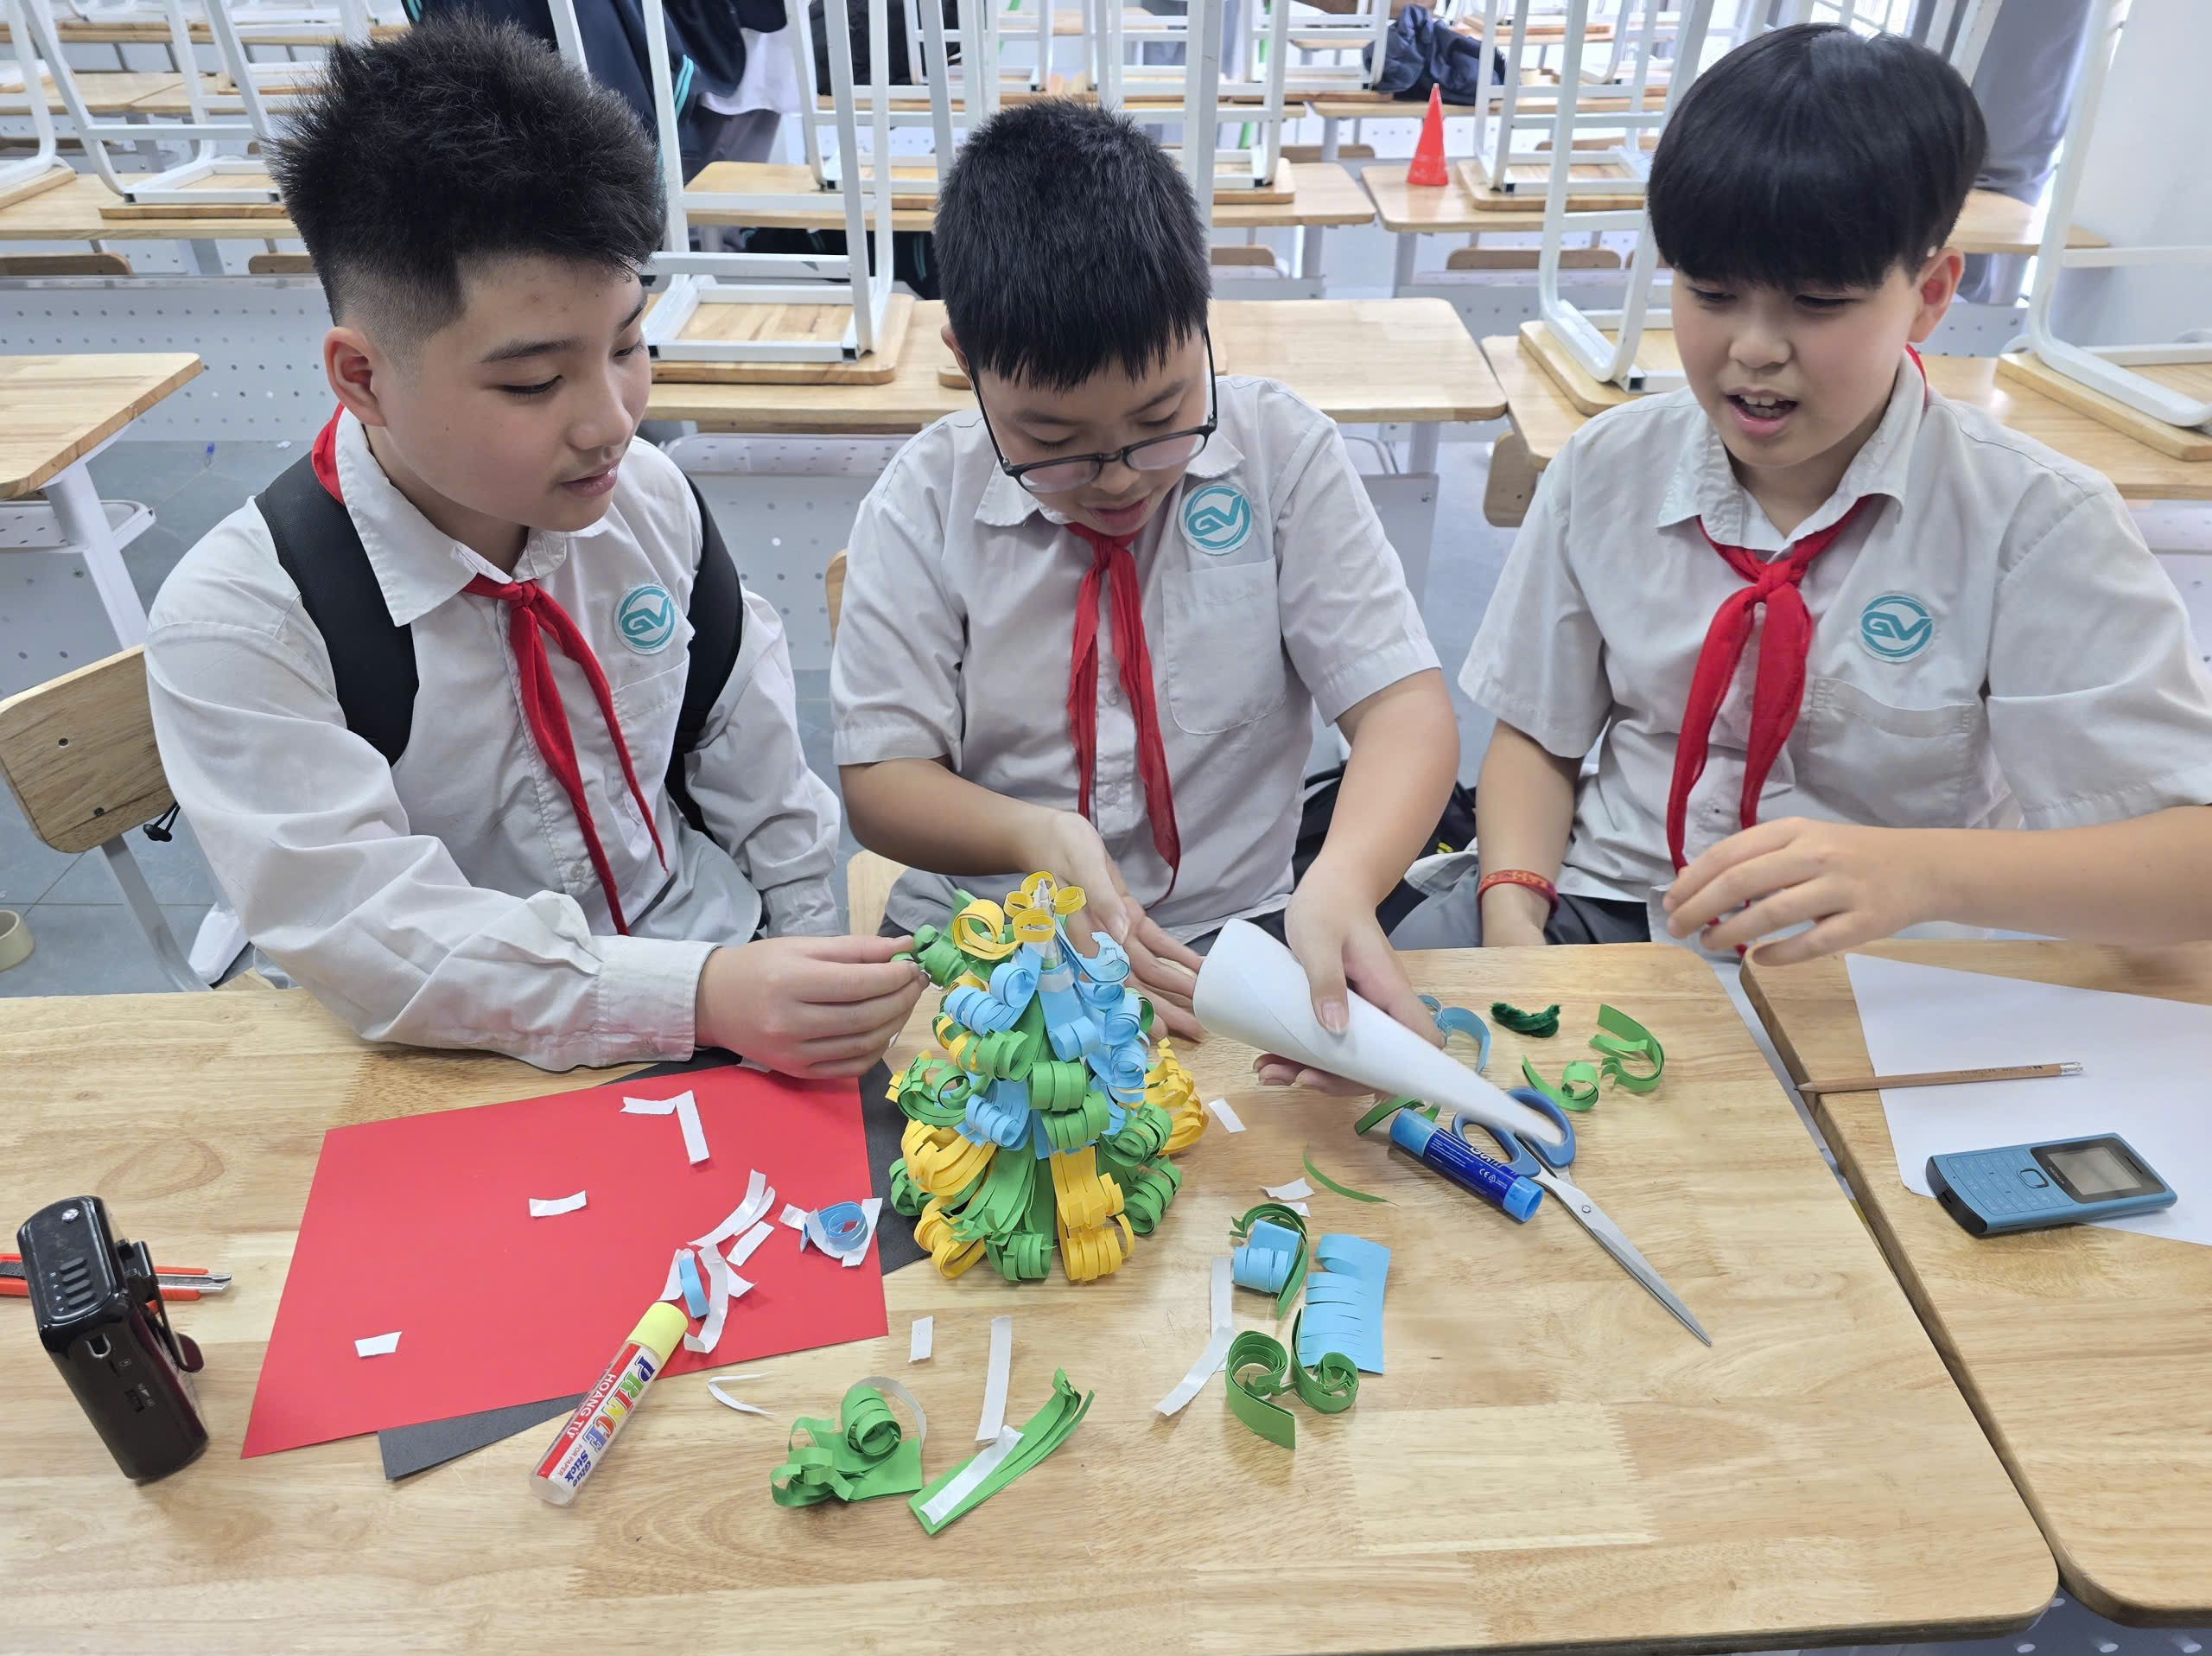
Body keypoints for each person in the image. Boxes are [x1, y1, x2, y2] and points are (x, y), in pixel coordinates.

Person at [144, 20, 925, 1073]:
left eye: (627, 344)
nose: (612, 419)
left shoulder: (645, 502)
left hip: (722, 979)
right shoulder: (246, 618)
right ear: (362, 377)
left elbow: (752, 755)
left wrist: (800, 951)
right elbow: (369, 931)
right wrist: (693, 998)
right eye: (532, 382)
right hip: (457, 1055)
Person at [1394, 23, 2212, 966]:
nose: (1753, 348)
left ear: (1932, 292)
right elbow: (1538, 740)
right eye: (1709, 293)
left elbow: (2190, 863)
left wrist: (1925, 875)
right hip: (1608, 905)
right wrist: (1513, 922)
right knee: (1365, 1051)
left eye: (1817, 304)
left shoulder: (2029, 523)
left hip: (1888, 955)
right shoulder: (1607, 469)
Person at [830, 99, 1459, 1068]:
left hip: (1233, 929)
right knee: (947, 1156)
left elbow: (1403, 709)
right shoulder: (924, 500)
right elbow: (880, 783)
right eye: (1051, 443)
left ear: (1200, 321)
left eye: (1165, 414)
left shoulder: (1280, 456)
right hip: (993, 926)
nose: (1120, 476)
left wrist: (1339, 885)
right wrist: (1034, 836)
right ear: (965, 362)